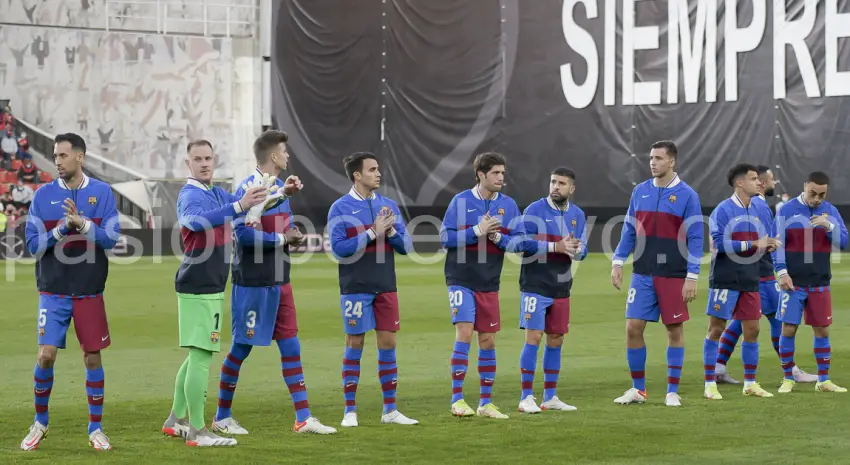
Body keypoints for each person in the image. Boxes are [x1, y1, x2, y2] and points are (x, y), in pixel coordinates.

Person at [211, 130, 337, 435]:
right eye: (285, 151)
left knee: (291, 346)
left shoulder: (280, 188)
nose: (288, 155)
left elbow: (285, 224)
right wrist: (282, 238)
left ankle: (303, 417)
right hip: (253, 281)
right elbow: (242, 235)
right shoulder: (248, 189)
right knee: (241, 348)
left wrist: (292, 233)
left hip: (281, 279)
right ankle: (222, 417)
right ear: (273, 156)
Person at [160, 140, 268, 447]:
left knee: (196, 354)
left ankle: (175, 420)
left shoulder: (215, 192)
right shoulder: (190, 194)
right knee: (202, 355)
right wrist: (238, 206)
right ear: (188, 163)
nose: (205, 163)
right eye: (198, 159)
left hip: (210, 281)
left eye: (208, 158)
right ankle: (197, 431)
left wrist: (278, 193)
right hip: (200, 281)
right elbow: (194, 221)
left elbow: (242, 204)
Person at [20, 133, 120, 451]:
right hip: (53, 290)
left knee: (92, 357)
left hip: (89, 290)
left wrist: (85, 224)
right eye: (55, 155)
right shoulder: (42, 196)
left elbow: (112, 238)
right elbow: (34, 246)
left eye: (63, 155)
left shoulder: (102, 193)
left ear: (80, 156)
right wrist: (62, 229)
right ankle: (40, 422)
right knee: (45, 355)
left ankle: (95, 428)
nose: (58, 161)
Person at [327, 151, 418, 427]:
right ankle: (350, 411)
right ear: (357, 175)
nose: (378, 174)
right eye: (372, 169)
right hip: (355, 286)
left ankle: (390, 410)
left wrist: (390, 232)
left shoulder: (388, 205)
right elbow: (340, 250)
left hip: (385, 285)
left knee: (388, 344)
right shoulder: (340, 208)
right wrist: (372, 232)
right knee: (355, 343)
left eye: (378, 169)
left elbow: (406, 247)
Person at [610, 140, 703, 407]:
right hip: (643, 273)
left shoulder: (687, 195)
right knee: (633, 327)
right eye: (651, 158)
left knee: (674, 328)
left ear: (671, 162)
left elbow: (696, 238)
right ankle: (638, 389)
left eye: (658, 158)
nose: (652, 162)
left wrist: (692, 276)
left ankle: (672, 390)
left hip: (674, 273)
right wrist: (617, 261)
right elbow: (629, 229)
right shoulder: (640, 191)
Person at [714, 166, 817, 384]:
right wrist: (781, 270)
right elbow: (769, 241)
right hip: (761, 274)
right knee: (777, 319)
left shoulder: (754, 205)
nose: (772, 183)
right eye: (769, 179)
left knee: (743, 321)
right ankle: (791, 370)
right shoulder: (758, 205)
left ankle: (719, 365)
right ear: (759, 182)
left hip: (753, 272)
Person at [441, 152, 523, 419]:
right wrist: (477, 230)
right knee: (464, 333)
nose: (501, 178)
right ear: (481, 174)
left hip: (489, 281)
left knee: (487, 340)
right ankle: (457, 399)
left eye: (502, 172)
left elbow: (519, 242)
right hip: (460, 278)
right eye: (495, 173)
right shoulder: (461, 201)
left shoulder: (508, 205)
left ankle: (486, 403)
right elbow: (445, 238)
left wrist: (498, 236)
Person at [702, 164, 778, 400]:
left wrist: (770, 245)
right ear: (740, 183)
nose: (759, 183)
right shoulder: (722, 211)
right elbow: (720, 246)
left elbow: (765, 239)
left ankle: (750, 383)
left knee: (752, 329)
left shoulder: (760, 208)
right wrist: (755, 244)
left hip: (750, 277)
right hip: (725, 277)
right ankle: (709, 383)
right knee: (716, 329)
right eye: (754, 179)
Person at [516, 167, 586, 413]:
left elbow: (583, 248)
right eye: (553, 182)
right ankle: (526, 397)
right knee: (534, 337)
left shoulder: (577, 214)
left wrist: (577, 249)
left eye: (561, 183)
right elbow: (521, 243)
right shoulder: (534, 210)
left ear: (571, 189)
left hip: (561, 286)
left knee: (556, 339)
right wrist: (554, 247)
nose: (556, 186)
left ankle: (550, 396)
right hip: (535, 283)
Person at [775, 171, 848, 393]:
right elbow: (777, 245)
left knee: (822, 331)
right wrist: (782, 272)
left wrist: (829, 227)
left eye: (821, 195)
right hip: (793, 283)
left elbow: (844, 242)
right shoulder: (786, 211)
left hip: (820, 281)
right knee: (788, 329)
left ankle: (823, 380)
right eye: (812, 193)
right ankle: (788, 378)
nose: (816, 199)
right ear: (805, 186)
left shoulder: (831, 212)